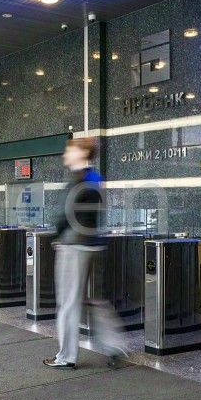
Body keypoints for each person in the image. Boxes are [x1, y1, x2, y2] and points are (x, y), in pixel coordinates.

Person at [44, 137, 126, 369]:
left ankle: (66, 357)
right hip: (94, 245)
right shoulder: (96, 178)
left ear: (81, 153)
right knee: (96, 299)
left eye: (69, 151)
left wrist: (56, 236)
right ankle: (115, 346)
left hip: (73, 246)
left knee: (68, 303)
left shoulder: (78, 180)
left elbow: (66, 215)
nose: (65, 155)